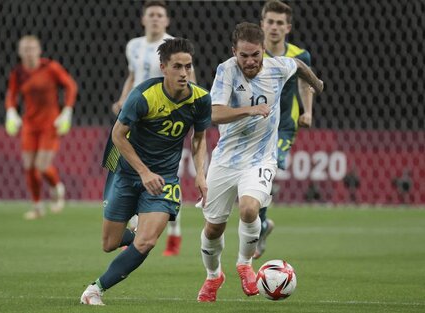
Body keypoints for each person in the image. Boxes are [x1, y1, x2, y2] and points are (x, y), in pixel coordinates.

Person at [197, 22, 323, 302]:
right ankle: (213, 275)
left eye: (255, 55)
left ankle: (245, 265)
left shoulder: (278, 66)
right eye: (244, 55)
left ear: (264, 50)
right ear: (234, 52)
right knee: (213, 227)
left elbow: (299, 65)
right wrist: (250, 110)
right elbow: (215, 114)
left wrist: (316, 83)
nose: (250, 61)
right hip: (226, 159)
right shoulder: (226, 70)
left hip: (261, 158)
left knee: (249, 209)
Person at [81, 38, 212, 306]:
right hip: (128, 173)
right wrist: (143, 172)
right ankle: (132, 230)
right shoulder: (143, 96)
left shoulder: (201, 99)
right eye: (178, 66)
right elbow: (118, 136)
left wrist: (201, 173)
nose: (184, 73)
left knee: (147, 242)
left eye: (188, 66)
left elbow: (199, 139)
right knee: (109, 243)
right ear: (163, 67)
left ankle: (95, 290)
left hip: (164, 180)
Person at [112, 0, 196, 256]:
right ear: (143, 19)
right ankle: (137, 223)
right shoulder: (133, 46)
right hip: (137, 114)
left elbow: (188, 80)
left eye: (160, 15)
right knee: (128, 169)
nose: (156, 19)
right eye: (152, 15)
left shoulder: (172, 47)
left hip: (163, 118)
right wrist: (123, 99)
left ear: (167, 20)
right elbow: (131, 75)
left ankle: (173, 234)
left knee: (164, 179)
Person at [255, 0, 316, 259]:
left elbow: (306, 84)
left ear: (288, 27)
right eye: (270, 21)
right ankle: (262, 226)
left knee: (271, 165)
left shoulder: (299, 56)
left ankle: (260, 227)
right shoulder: (252, 54)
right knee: (257, 180)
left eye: (280, 23)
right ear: (262, 24)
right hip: (256, 128)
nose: (275, 27)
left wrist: (308, 110)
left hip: (284, 128)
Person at [4, 35, 77, 220]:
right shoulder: (18, 73)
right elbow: (11, 95)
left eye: (32, 48)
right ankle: (37, 207)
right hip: (29, 124)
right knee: (28, 166)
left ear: (39, 50)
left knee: (42, 166)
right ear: (20, 52)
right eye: (25, 49)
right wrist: (11, 112)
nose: (29, 53)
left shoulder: (50, 68)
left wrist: (67, 110)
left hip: (50, 123)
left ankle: (57, 187)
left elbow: (70, 86)